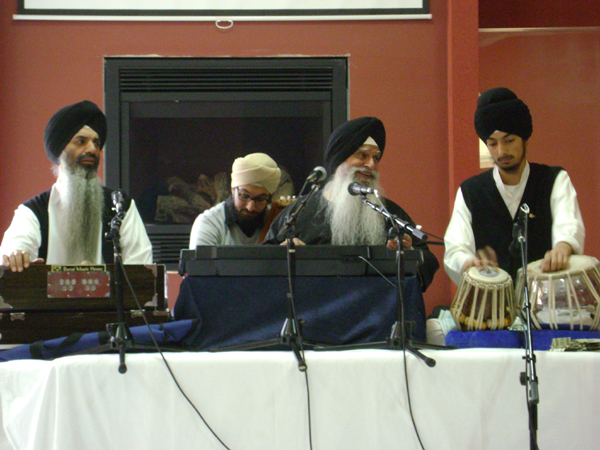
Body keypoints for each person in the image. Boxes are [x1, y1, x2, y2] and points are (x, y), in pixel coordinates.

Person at [264, 116, 439, 291]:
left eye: (376, 158)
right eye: (363, 155)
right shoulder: (300, 211)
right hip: (313, 305)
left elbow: (427, 261)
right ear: (339, 159)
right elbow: (263, 259)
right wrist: (284, 253)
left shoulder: (389, 213)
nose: (371, 164)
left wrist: (409, 254)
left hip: (376, 306)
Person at [444, 87, 585, 285]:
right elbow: (455, 249)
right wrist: (469, 262)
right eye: (493, 144)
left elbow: (568, 224)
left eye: (509, 140)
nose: (502, 151)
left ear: (524, 139)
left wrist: (563, 247)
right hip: (492, 299)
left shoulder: (554, 180)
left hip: (546, 294)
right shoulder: (470, 191)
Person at [1, 100, 153, 272]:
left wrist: (97, 280)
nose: (92, 149)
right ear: (60, 150)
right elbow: (15, 249)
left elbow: (143, 274)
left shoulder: (121, 208)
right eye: (81, 141)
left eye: (96, 143)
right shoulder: (32, 212)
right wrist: (16, 256)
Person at [189, 152, 282, 247]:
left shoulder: (277, 223)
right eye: (244, 196)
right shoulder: (209, 223)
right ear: (233, 189)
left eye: (260, 199)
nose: (250, 207)